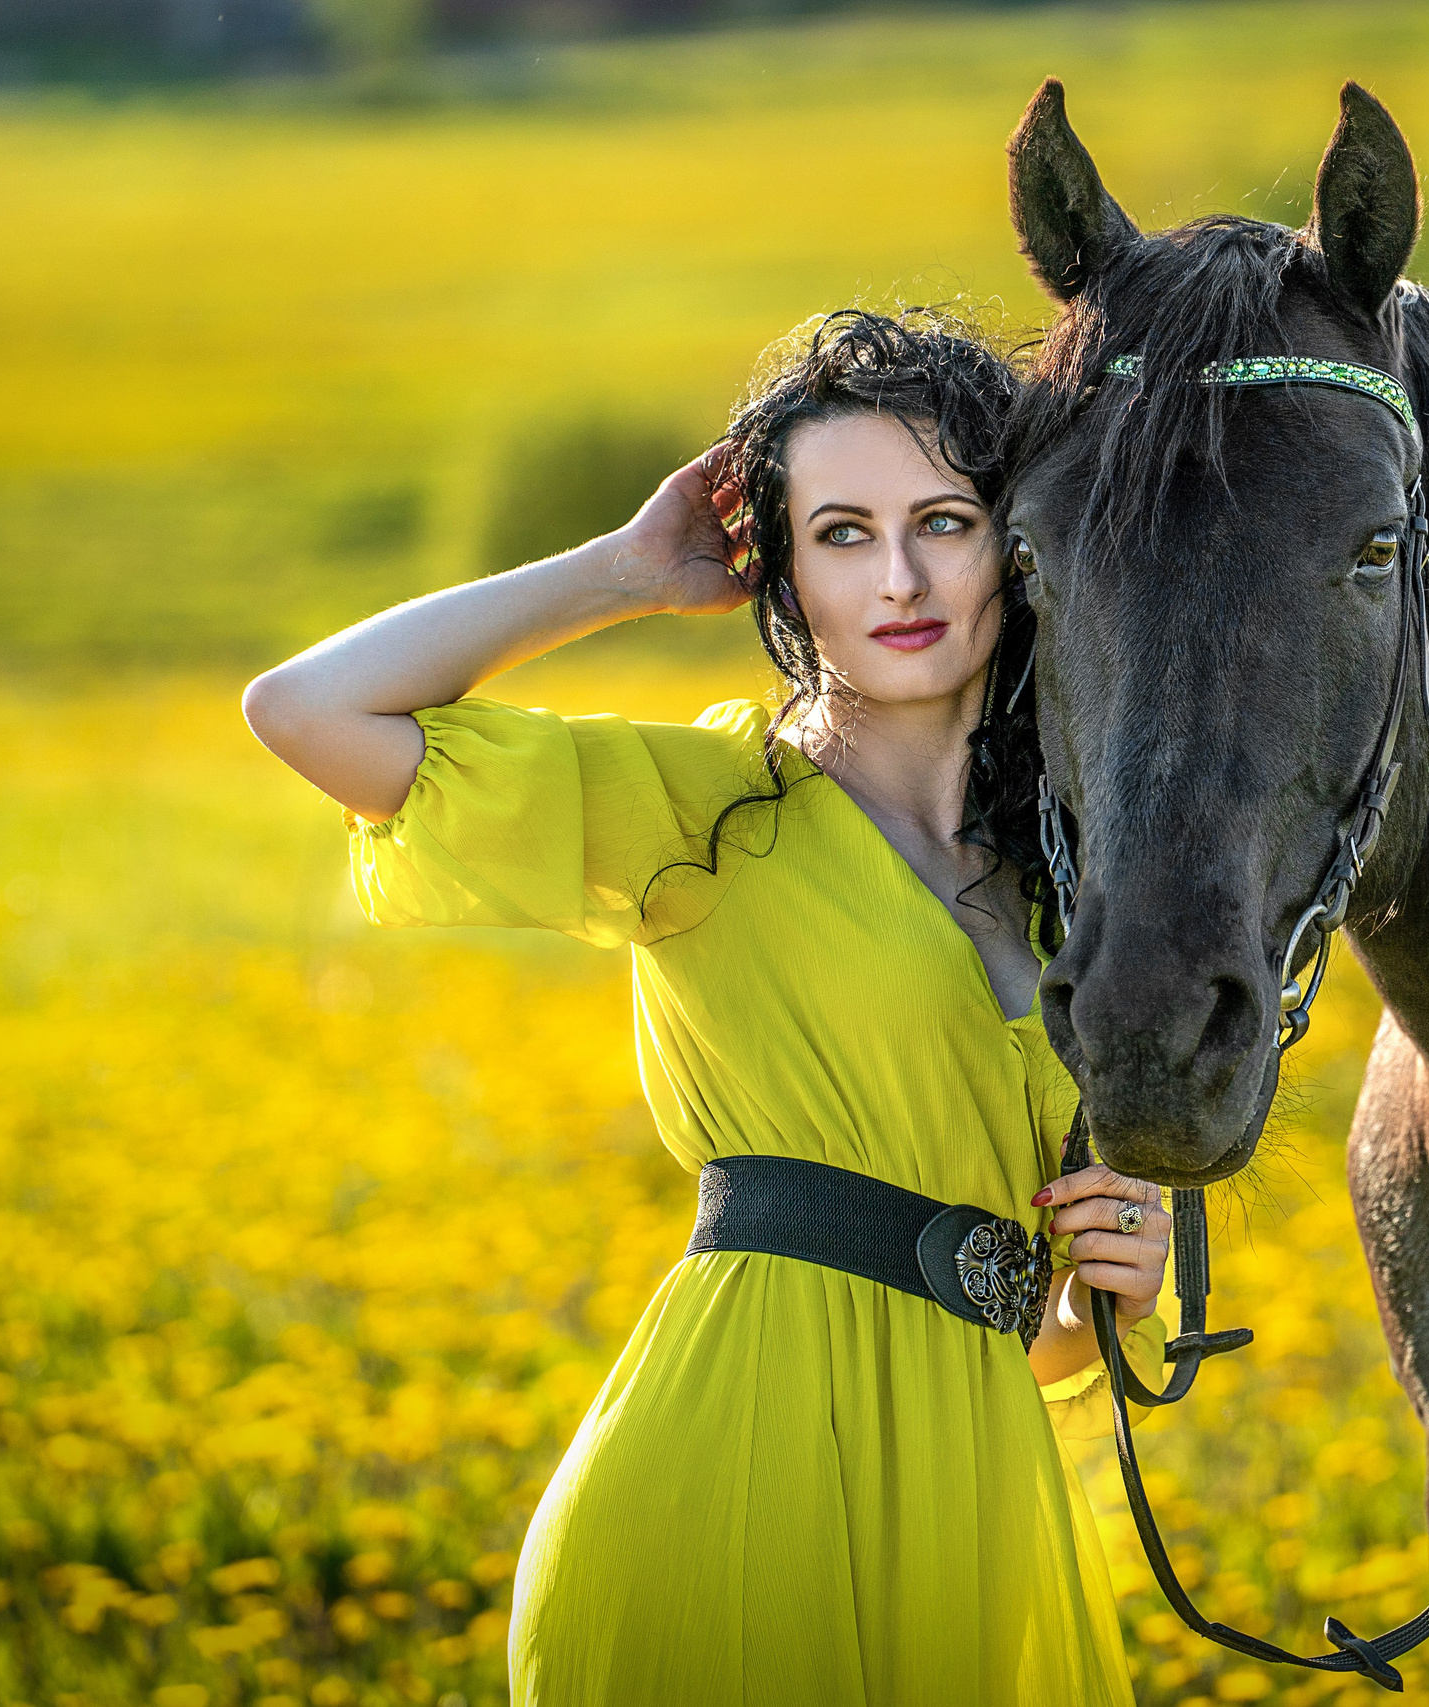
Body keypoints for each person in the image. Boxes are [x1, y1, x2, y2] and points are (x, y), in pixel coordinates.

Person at [240, 308, 1168, 1705]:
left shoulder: (1062, 882)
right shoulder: (710, 805)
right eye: (842, 534)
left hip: (962, 1518)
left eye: (945, 522)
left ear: (1015, 544)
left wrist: (1109, 1288)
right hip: (725, 1485)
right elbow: (306, 710)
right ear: (785, 572)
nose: (900, 578)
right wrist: (617, 572)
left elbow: (1023, 1336)